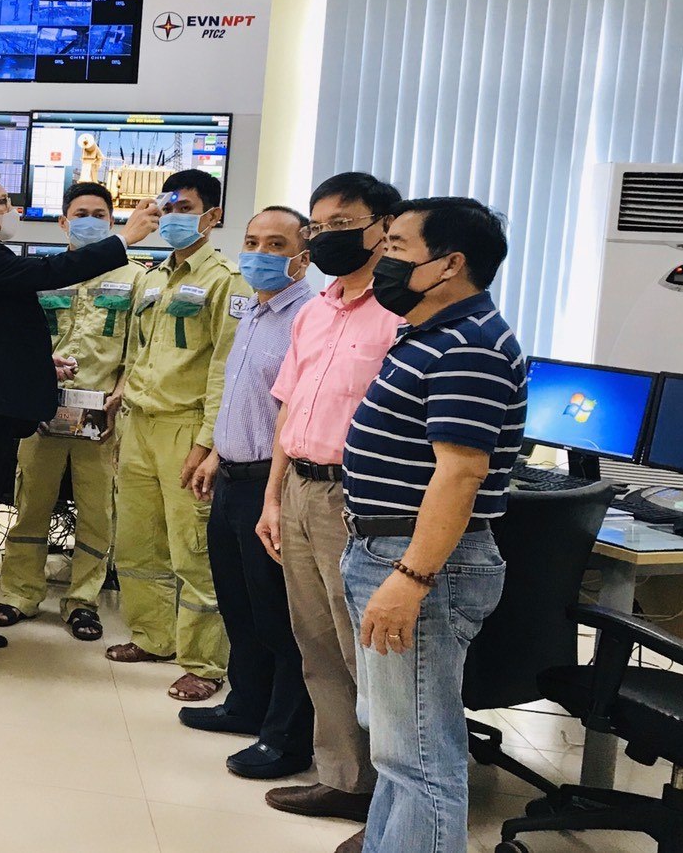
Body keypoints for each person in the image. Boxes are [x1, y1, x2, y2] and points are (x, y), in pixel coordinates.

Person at [0, 168, 161, 685]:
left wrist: (39, 364)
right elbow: (49, 272)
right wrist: (124, 239)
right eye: (2, 202)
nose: (12, 210)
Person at [340, 198, 524, 853]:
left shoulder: (469, 345)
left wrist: (411, 577)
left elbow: (461, 473)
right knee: (397, 746)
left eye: (395, 247)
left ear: (449, 264)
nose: (380, 258)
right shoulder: (429, 334)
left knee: (420, 756)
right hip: (385, 547)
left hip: (418, 562)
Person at [259, 171, 403, 836]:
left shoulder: (404, 313)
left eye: (342, 225)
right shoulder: (315, 312)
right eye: (317, 228)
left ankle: (395, 804)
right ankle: (344, 780)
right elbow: (289, 409)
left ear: (383, 228)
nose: (324, 239)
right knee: (316, 642)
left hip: (359, 496)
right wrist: (272, 497)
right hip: (298, 487)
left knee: (366, 655)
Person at [106, 169, 250, 703]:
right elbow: (136, 351)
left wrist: (208, 443)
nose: (171, 218)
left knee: (193, 548)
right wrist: (122, 401)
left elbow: (226, 370)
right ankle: (153, 636)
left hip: (186, 428)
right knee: (137, 541)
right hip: (139, 424)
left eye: (184, 209)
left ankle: (204, 662)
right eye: (166, 209)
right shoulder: (151, 278)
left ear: (212, 216)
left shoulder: (227, 281)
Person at [184, 207, 317, 780]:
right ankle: (246, 704)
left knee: (279, 617)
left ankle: (286, 738)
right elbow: (242, 398)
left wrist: (277, 493)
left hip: (273, 483)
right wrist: (216, 452)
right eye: (252, 241)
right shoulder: (254, 311)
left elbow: (297, 414)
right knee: (238, 605)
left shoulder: (308, 317)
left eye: (276, 244)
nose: (259, 254)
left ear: (302, 258)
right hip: (234, 475)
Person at [0, 182, 144, 643]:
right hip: (42, 410)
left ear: (113, 222)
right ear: (63, 222)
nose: (89, 221)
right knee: (31, 505)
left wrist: (121, 392)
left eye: (99, 214)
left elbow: (140, 348)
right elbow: (19, 342)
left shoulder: (136, 278)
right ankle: (20, 594)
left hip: (102, 417)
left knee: (97, 512)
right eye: (80, 214)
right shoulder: (41, 274)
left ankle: (83, 601)